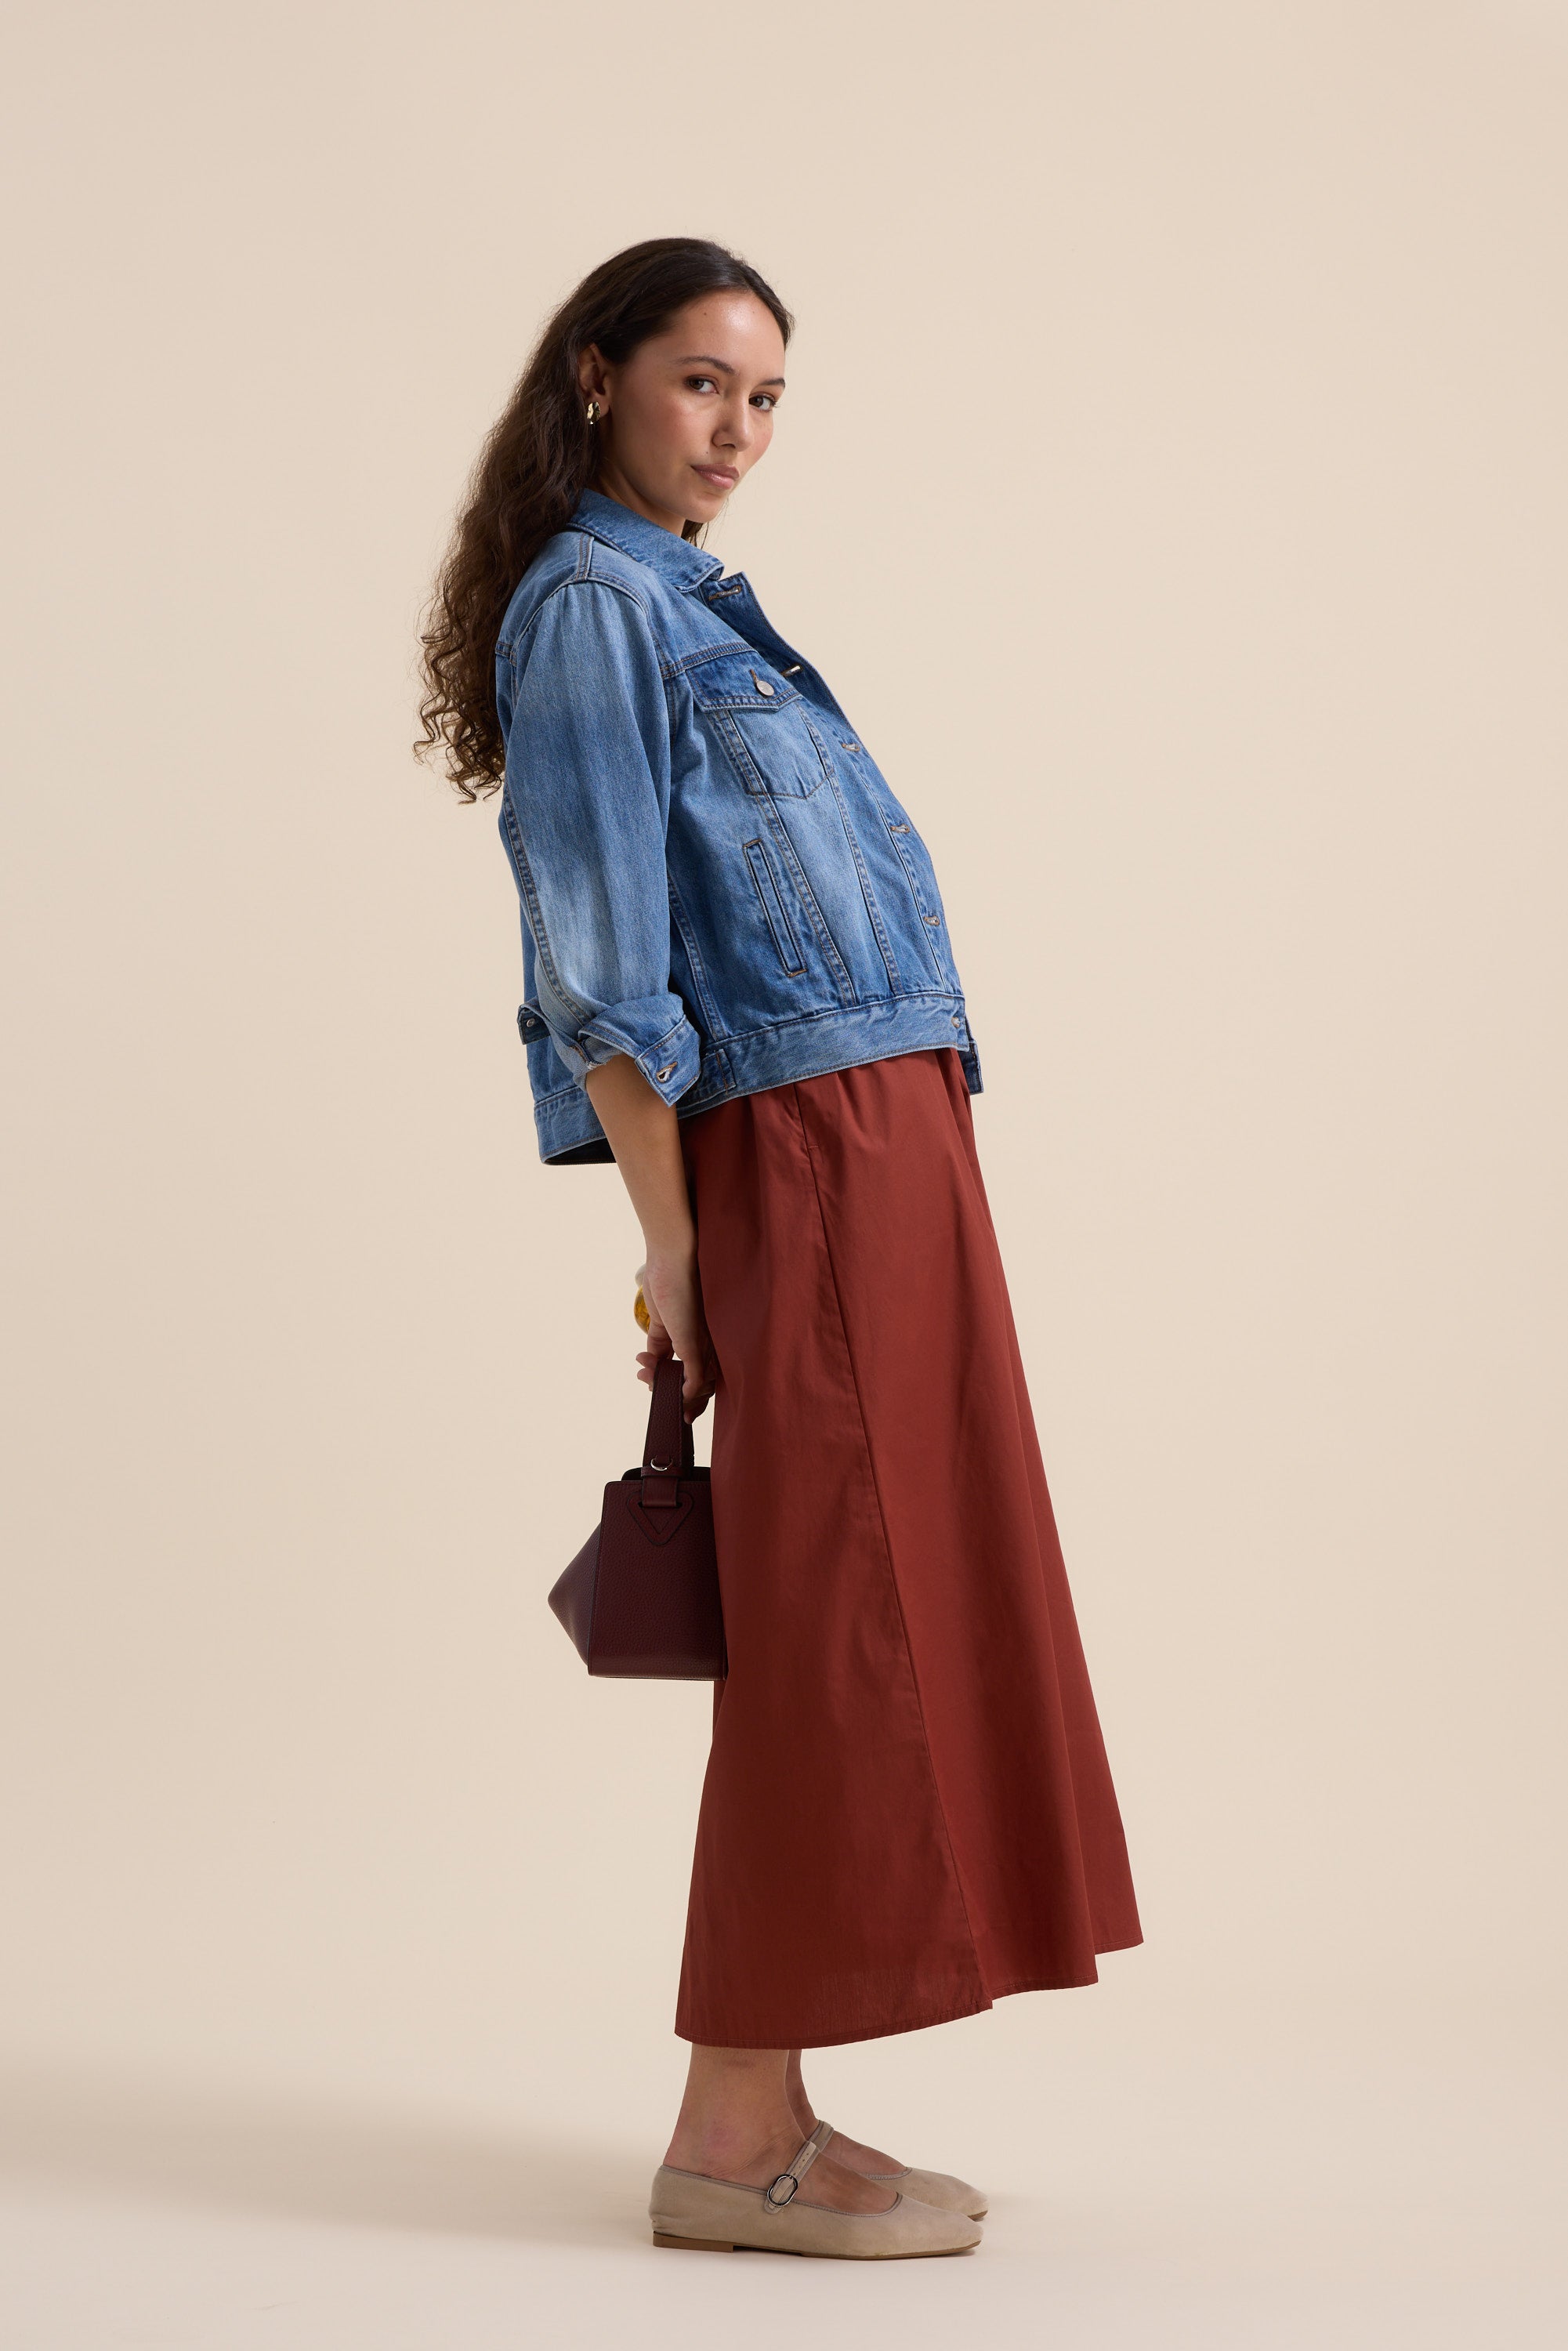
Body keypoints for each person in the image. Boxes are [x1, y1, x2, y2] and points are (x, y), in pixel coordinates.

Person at [417, 235, 1143, 2260]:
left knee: (900, 1591)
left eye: (762, 400)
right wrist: (682, 1245)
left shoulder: (688, 601)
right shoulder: (591, 611)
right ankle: (734, 2137)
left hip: (883, 1137)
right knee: (840, 1622)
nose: (733, 433)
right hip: (798, 1156)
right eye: (697, 385)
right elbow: (601, 971)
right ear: (594, 381)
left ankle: (767, 2113)